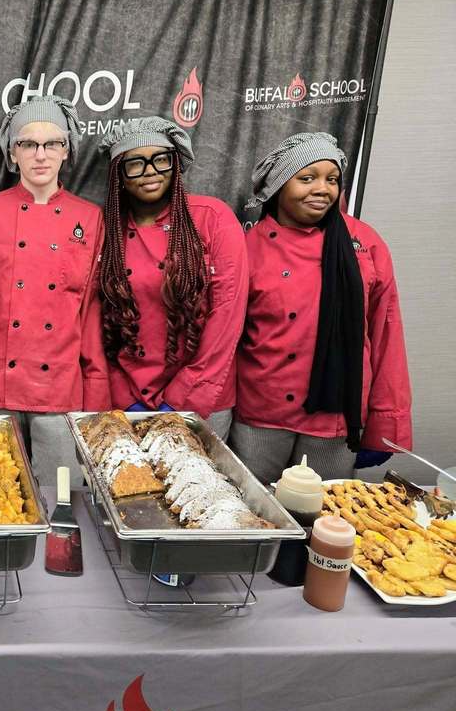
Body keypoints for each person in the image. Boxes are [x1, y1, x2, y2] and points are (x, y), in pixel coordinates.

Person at [230, 132, 412, 483]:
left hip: (336, 417)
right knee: (251, 509)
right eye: (307, 178)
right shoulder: (246, 246)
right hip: (260, 412)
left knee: (325, 518)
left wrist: (387, 419)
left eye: (331, 180)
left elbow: (386, 334)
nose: (322, 189)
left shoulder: (366, 244)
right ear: (279, 185)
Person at [0, 95, 110, 488]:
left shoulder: (89, 218)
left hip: (59, 386)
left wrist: (96, 389)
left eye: (52, 143)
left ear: (67, 150)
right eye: (28, 143)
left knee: (63, 501)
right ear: (12, 152)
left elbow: (89, 312)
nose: (41, 154)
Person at [96, 117, 248, 440]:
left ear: (175, 165)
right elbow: (96, 322)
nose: (150, 170)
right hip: (127, 397)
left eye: (161, 159)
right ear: (119, 175)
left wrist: (182, 397)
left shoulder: (213, 219)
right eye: (135, 163)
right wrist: (124, 395)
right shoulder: (108, 229)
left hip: (200, 397)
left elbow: (226, 317)